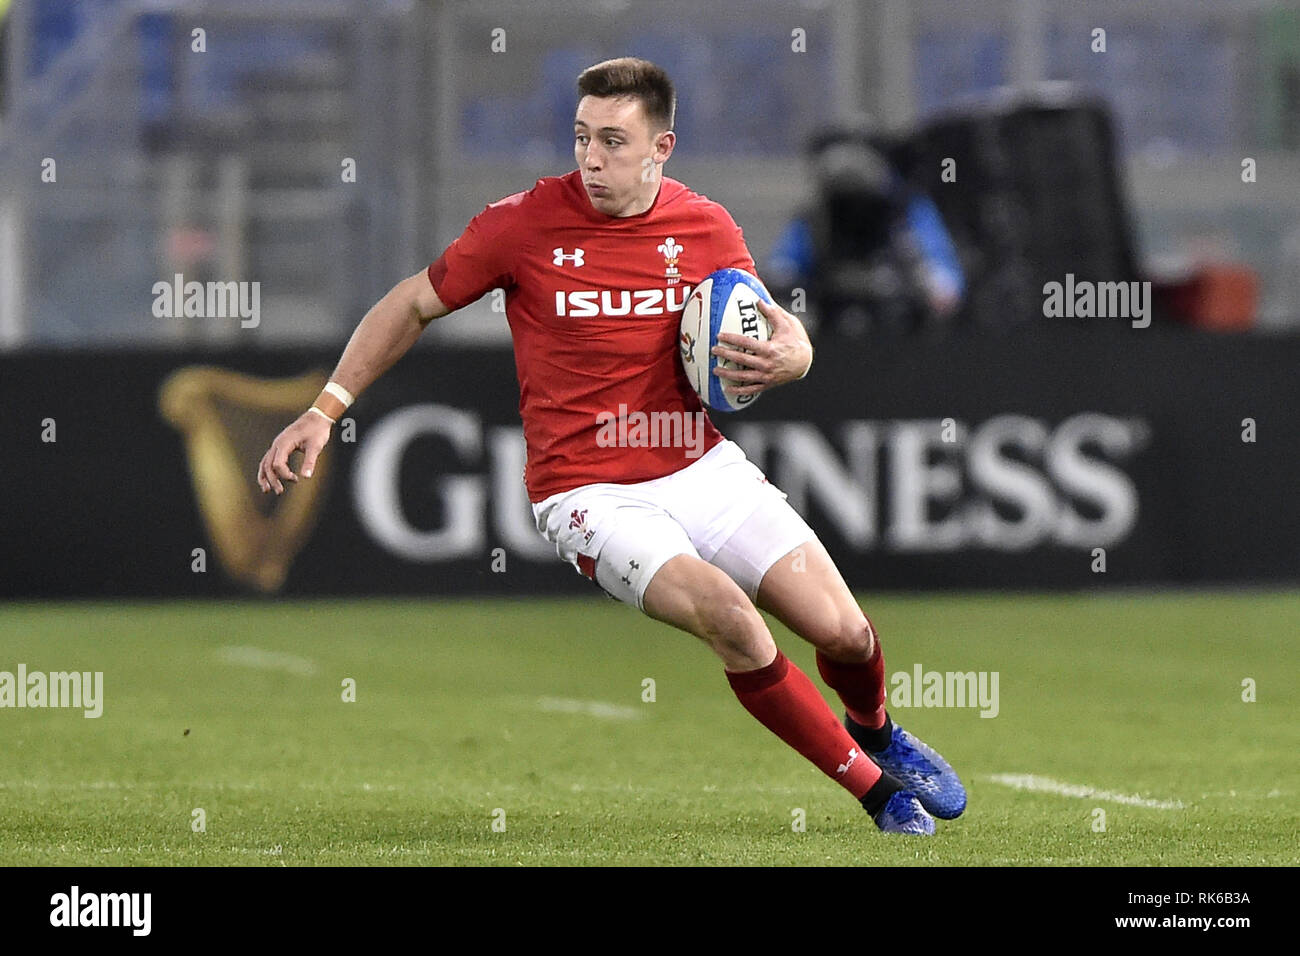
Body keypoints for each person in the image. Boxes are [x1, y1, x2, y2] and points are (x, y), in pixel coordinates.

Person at [257, 57, 964, 836]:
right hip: (589, 492)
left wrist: (798, 354)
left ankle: (875, 729)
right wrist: (327, 408)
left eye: (614, 142)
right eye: (581, 138)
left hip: (699, 466)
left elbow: (767, 323)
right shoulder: (522, 224)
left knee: (847, 633)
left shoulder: (705, 226)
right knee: (732, 619)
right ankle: (877, 793)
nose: (591, 159)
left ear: (662, 147)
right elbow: (413, 302)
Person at [768, 122, 965, 337]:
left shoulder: (906, 211)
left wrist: (935, 285)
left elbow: (941, 273)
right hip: (832, 322)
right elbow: (784, 266)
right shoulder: (817, 219)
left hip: (898, 326)